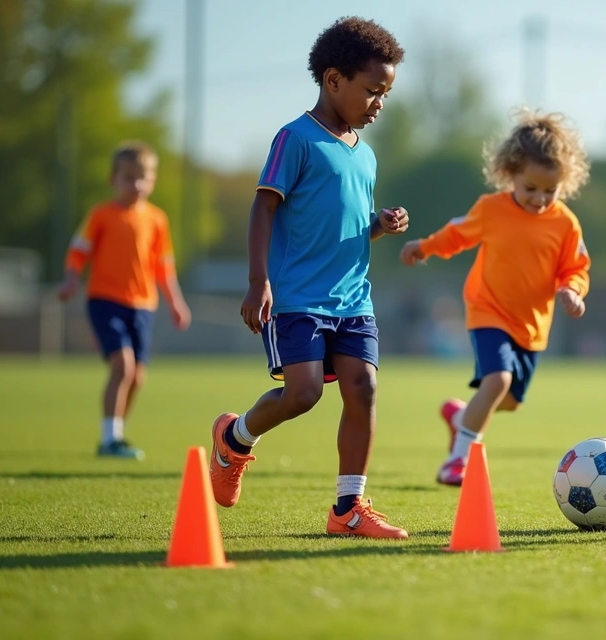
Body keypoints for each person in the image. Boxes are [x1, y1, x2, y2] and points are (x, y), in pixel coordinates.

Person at [208, 17, 411, 539]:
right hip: (297, 298)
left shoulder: (364, 155)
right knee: (303, 395)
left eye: (385, 94)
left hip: (353, 299)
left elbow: (343, 226)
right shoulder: (295, 138)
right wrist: (259, 282)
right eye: (372, 91)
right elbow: (263, 208)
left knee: (362, 387)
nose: (378, 105)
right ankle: (235, 438)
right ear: (333, 79)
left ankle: (348, 508)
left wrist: (378, 226)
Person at [400, 109, 591, 486]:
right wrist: (424, 247)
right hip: (487, 311)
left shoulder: (565, 222)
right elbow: (457, 234)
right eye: (530, 188)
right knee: (498, 380)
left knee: (508, 401)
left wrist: (573, 290)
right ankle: (458, 460)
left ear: (564, 183)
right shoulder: (491, 209)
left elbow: (576, 267)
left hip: (532, 327)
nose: (539, 199)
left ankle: (460, 419)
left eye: (549, 191)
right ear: (511, 174)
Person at [59, 141, 192, 460]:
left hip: (143, 305)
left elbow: (164, 266)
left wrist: (176, 302)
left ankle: (116, 432)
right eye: (128, 176)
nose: (136, 184)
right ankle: (109, 440)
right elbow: (79, 251)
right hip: (105, 300)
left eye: (142, 177)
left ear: (153, 180)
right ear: (113, 179)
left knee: (137, 376)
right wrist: (71, 280)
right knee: (124, 365)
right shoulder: (102, 215)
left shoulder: (157, 220)